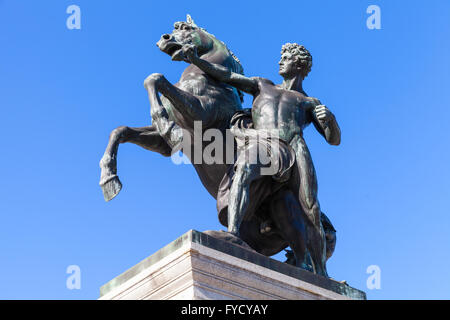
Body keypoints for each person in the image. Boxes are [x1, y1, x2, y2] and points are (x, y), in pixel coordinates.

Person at [182, 42, 341, 276]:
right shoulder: (262, 85)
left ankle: (321, 271)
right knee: (245, 165)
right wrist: (197, 60)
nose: (280, 60)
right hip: (264, 142)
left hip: (294, 147)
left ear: (299, 64)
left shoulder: (309, 102)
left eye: (285, 57)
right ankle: (233, 233)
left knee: (310, 206)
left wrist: (330, 120)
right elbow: (227, 75)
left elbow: (333, 139)